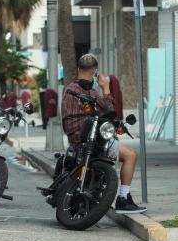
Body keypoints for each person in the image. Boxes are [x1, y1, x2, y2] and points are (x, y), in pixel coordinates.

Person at [61, 53, 146, 215]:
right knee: (131, 155)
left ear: (78, 69)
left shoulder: (68, 90)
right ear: (95, 72)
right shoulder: (89, 92)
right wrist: (106, 88)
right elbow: (109, 110)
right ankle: (123, 198)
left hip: (74, 139)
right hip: (92, 139)